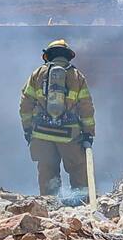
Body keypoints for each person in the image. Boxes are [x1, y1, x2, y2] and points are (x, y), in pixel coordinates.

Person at [18, 39, 95, 200]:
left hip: (41, 134)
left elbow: (25, 105)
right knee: (78, 169)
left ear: (48, 56)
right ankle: (81, 205)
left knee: (47, 171)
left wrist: (27, 129)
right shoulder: (77, 76)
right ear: (67, 56)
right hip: (69, 134)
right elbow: (86, 108)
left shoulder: (37, 74)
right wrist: (88, 134)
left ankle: (50, 206)